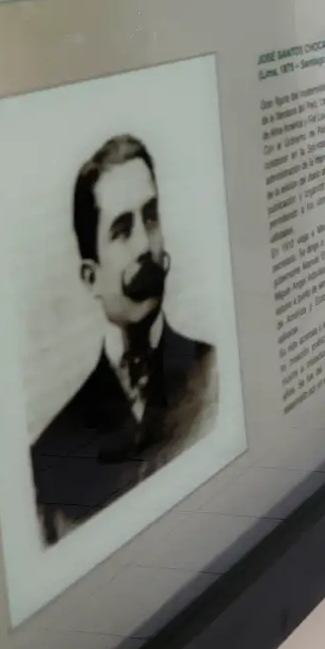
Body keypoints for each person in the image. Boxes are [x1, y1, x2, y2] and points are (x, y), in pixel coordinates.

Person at [32, 135, 215, 543]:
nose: (145, 245)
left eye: (150, 217)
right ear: (90, 277)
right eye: (121, 230)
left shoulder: (217, 374)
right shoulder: (49, 459)